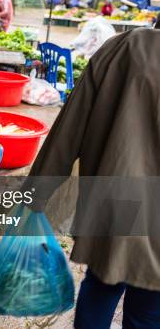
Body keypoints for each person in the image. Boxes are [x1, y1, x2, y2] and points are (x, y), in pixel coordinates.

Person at [14, 27, 160, 329]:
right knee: (148, 308)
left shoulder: (123, 47)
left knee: (102, 283)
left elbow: (70, 127)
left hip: (117, 197)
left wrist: (37, 193)